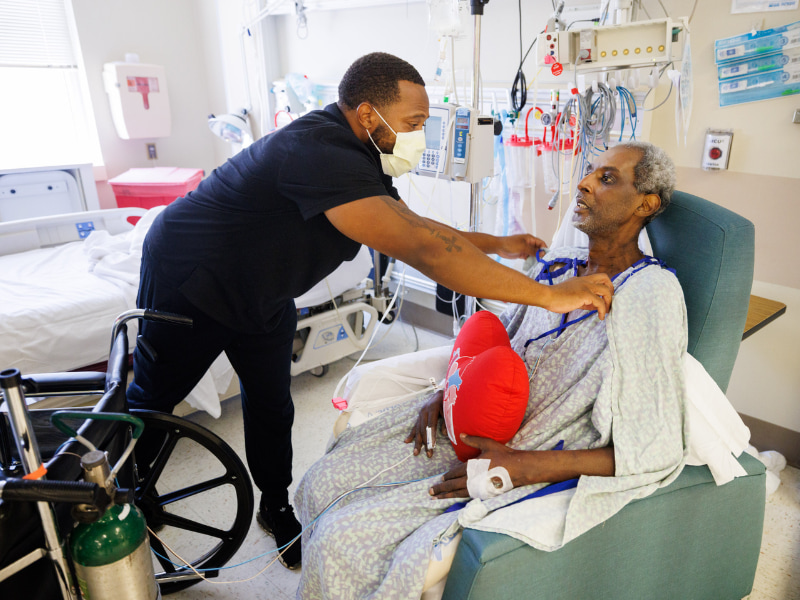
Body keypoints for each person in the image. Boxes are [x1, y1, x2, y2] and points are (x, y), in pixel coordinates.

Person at [126, 51, 614, 570]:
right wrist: (550, 295)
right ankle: (127, 492)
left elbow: (417, 225)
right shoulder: (317, 151)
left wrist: (500, 243)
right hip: (191, 276)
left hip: (262, 290)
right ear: (366, 114)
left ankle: (274, 503)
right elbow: (423, 250)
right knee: (155, 399)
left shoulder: (360, 155)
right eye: (414, 123)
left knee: (271, 403)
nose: (419, 137)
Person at [294, 141, 688, 599]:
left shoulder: (648, 294)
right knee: (323, 480)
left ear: (646, 204)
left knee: (343, 542)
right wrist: (450, 392)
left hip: (525, 449)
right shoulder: (558, 268)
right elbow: (496, 344)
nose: (583, 183)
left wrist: (521, 467)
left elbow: (655, 447)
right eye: (589, 171)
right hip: (471, 421)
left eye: (606, 178)